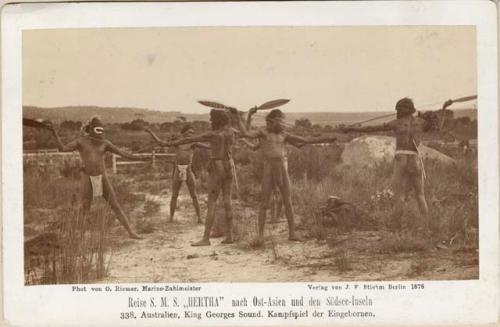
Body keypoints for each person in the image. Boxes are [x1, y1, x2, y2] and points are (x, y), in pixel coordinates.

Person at [235, 108, 336, 243]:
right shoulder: (263, 132)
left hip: (282, 167)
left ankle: (292, 234)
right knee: (264, 203)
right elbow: (245, 133)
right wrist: (237, 116)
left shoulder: (284, 135)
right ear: (271, 121)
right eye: (279, 121)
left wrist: (327, 139)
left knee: (288, 202)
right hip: (269, 168)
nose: (281, 124)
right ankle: (260, 235)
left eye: (282, 121)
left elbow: (306, 140)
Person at [340, 97, 430, 232]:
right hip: (415, 159)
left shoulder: (396, 123)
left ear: (399, 110)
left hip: (401, 159)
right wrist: (444, 108)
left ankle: (395, 229)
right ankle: (427, 227)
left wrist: (351, 128)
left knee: (399, 197)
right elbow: (438, 125)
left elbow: (371, 128)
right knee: (420, 196)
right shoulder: (421, 122)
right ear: (411, 109)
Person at [48, 116, 147, 239]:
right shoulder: (81, 141)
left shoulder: (105, 143)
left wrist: (140, 158)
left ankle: (131, 232)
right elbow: (62, 149)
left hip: (102, 176)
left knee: (115, 205)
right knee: (85, 208)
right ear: (91, 130)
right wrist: (53, 133)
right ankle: (81, 238)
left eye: (102, 130)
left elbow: (123, 153)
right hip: (87, 177)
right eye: (97, 130)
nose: (101, 133)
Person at [162, 109, 238, 246]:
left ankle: (205, 238)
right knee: (228, 201)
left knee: (212, 202)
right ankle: (230, 236)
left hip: (217, 165)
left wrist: (169, 143)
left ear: (217, 120)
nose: (210, 121)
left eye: (212, 118)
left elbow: (191, 139)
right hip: (230, 165)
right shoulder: (231, 132)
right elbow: (245, 133)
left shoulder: (213, 134)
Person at [144, 124, 209, 223]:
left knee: (194, 195)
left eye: (192, 133)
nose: (191, 134)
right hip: (178, 169)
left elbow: (208, 146)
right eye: (189, 132)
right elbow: (161, 143)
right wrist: (150, 132)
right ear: (184, 132)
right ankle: (171, 218)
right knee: (174, 195)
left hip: (188, 169)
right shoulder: (178, 142)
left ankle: (199, 218)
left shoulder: (193, 143)